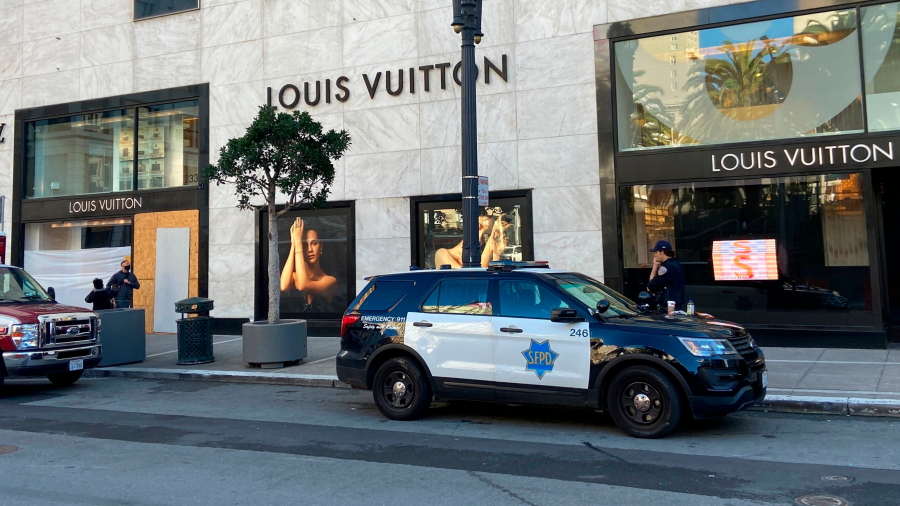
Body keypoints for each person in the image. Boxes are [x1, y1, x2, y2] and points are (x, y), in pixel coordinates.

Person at [279, 217, 338, 312]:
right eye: (305, 245)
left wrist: (298, 244)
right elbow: (283, 287)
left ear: (321, 246)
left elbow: (303, 285)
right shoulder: (294, 276)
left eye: (314, 243)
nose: (310, 249)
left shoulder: (330, 281)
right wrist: (294, 245)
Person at [433, 214, 511, 268]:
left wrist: (496, 254)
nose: (482, 233)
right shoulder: (442, 253)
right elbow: (468, 277)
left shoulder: (480, 258)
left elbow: (486, 278)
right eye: (479, 228)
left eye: (487, 233)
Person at [647, 240, 685, 311]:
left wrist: (655, 266)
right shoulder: (676, 265)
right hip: (674, 307)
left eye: (656, 252)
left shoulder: (666, 268)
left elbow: (650, 286)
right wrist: (656, 265)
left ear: (662, 252)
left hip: (667, 309)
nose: (655, 255)